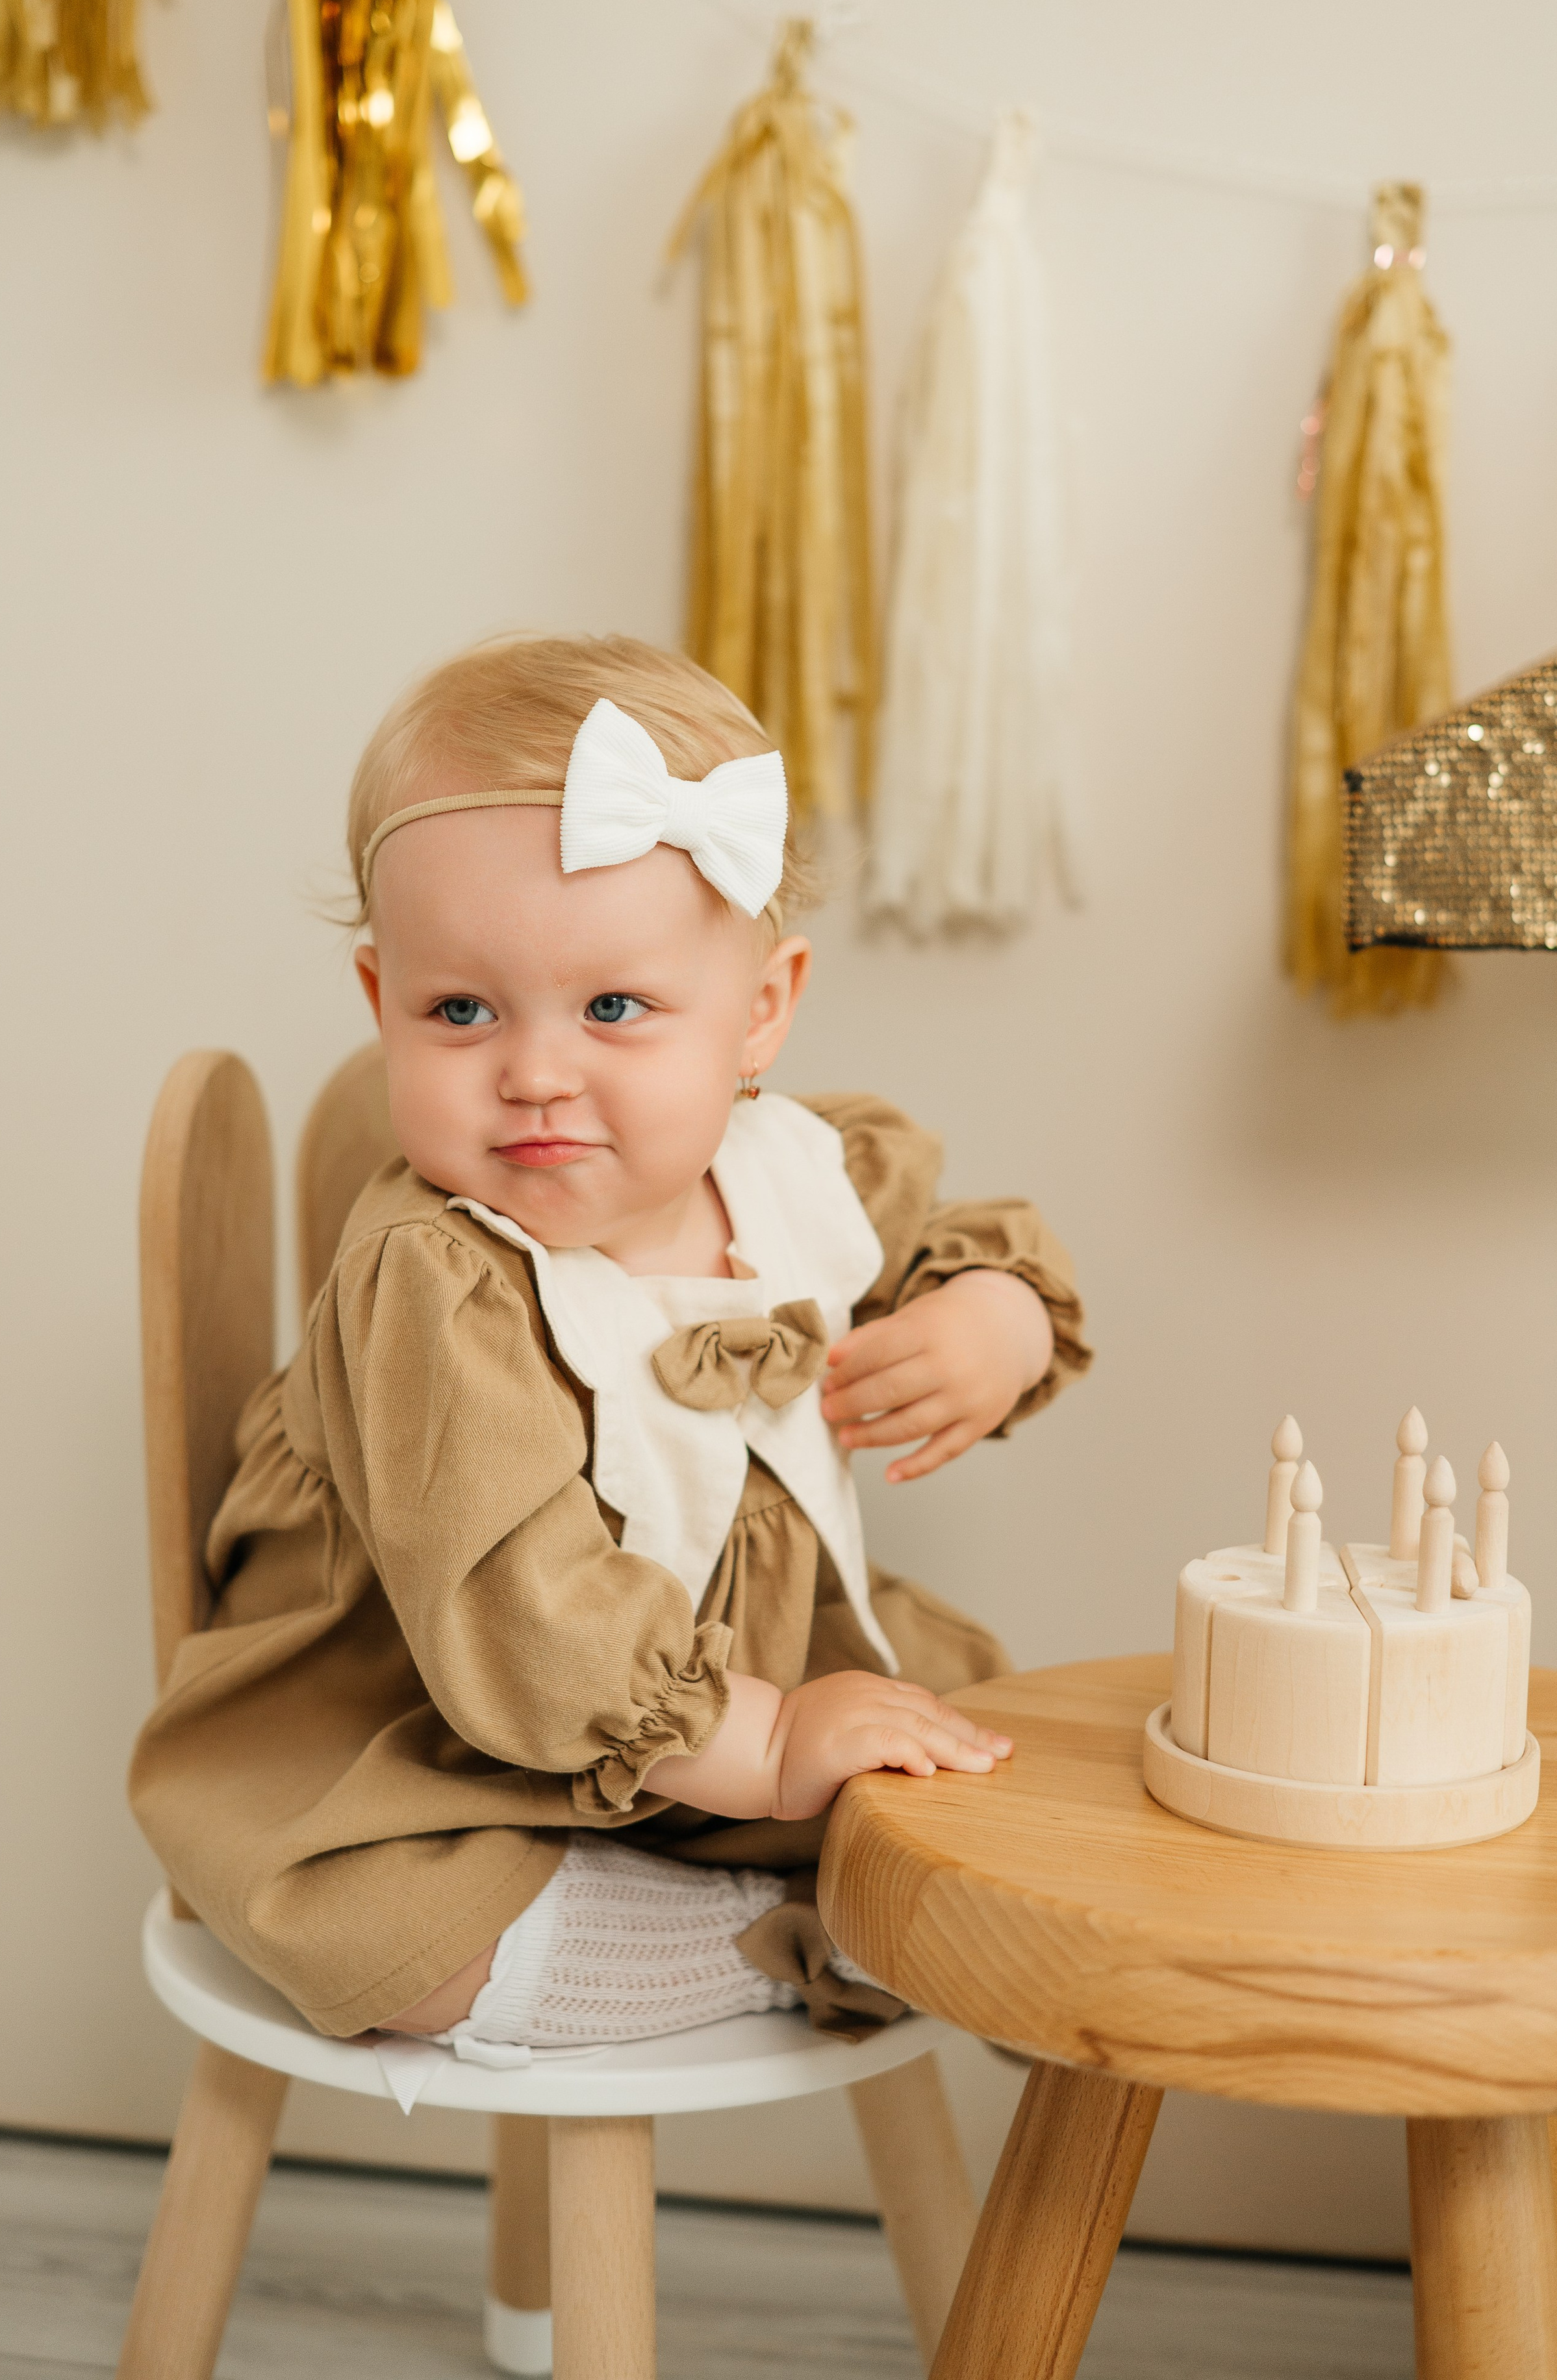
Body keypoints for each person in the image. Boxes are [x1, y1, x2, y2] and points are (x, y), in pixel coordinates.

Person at [130, 634, 1090, 2070]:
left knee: (992, 1763)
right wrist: (767, 1746)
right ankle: (756, 1944)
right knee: (398, 1942)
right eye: (461, 1011)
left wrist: (991, 1320)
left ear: (760, 1011)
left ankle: (837, 1894)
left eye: (612, 1009)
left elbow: (963, 1242)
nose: (534, 1072)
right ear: (381, 1000)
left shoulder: (797, 1170)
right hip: (425, 1727)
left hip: (728, 1686)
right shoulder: (434, 1280)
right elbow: (522, 1610)